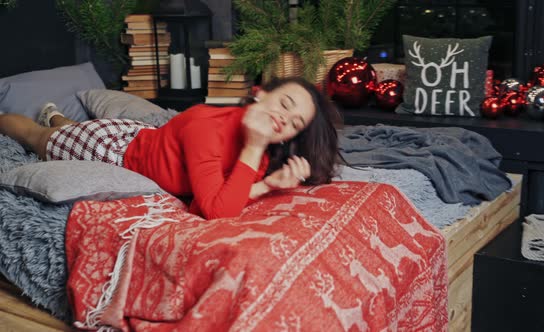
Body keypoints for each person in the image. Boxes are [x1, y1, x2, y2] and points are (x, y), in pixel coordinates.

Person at [0, 77, 341, 219]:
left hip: (146, 136)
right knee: (36, 138)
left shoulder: (263, 148)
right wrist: (254, 155)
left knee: (71, 129)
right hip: (114, 148)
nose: (284, 120)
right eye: (284, 104)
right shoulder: (210, 126)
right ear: (260, 92)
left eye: (295, 123)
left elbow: (225, 193)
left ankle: (57, 117)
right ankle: (38, 121)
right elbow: (216, 210)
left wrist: (269, 183)